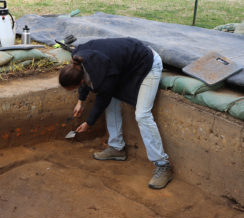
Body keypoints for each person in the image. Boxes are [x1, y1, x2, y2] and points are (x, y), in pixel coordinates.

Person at [59, 37, 173, 189]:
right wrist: (80, 101)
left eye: (73, 88)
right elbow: (85, 81)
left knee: (142, 114)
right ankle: (117, 148)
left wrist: (89, 123)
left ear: (80, 81)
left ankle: (163, 165)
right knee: (112, 103)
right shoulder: (78, 60)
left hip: (147, 64)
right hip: (124, 66)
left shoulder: (101, 74)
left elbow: (102, 98)